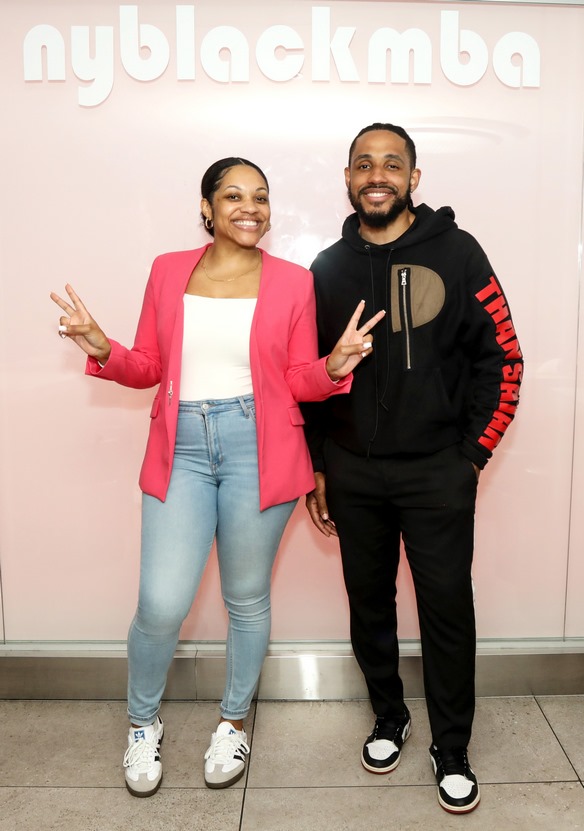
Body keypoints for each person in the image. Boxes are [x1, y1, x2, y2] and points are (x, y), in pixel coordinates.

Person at [51, 157, 384, 798]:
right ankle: (143, 724)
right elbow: (149, 366)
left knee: (246, 598)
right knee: (161, 604)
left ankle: (232, 723)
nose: (249, 207)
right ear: (207, 208)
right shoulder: (168, 270)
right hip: (180, 448)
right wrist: (103, 348)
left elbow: (297, 380)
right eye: (233, 196)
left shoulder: (292, 282)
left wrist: (334, 365)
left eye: (260, 196)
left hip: (260, 446)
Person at [303, 124, 523, 814]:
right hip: (353, 472)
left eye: (392, 164)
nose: (378, 175)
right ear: (347, 178)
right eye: (364, 164)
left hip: (437, 472)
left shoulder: (459, 253)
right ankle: (390, 716)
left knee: (446, 610)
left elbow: (503, 360)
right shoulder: (325, 269)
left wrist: (471, 456)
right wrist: (318, 465)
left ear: (413, 179)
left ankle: (451, 745)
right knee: (368, 604)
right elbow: (309, 378)